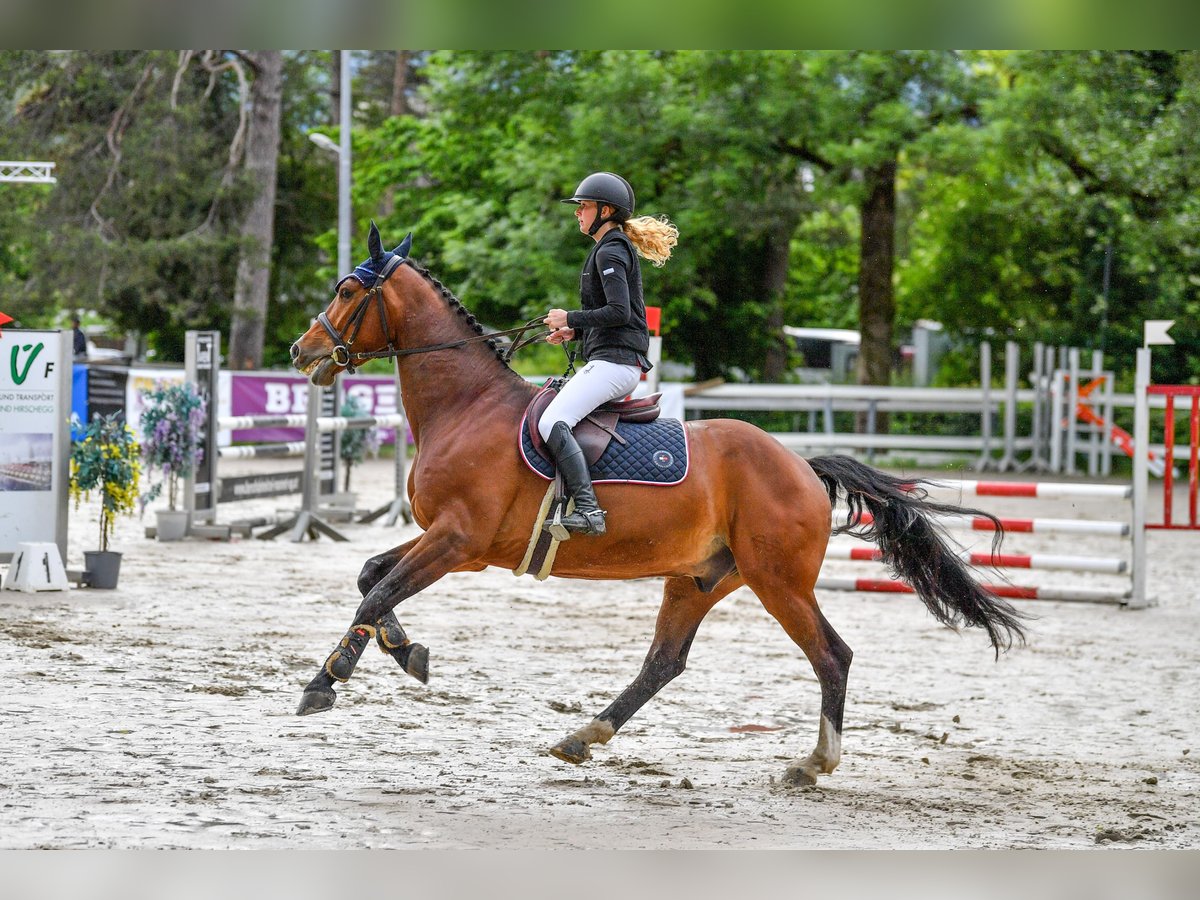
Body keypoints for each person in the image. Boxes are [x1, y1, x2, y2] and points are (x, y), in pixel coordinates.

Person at [541, 172, 679, 537]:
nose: (578, 213)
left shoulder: (612, 251)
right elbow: (615, 314)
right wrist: (577, 330)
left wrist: (569, 316)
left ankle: (588, 510)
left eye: (583, 206)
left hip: (617, 363)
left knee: (551, 421)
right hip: (611, 358)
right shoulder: (607, 248)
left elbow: (620, 312)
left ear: (606, 210)